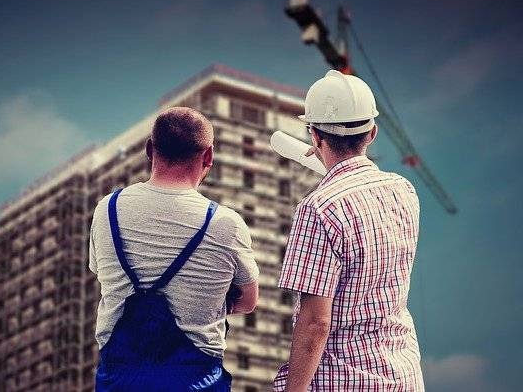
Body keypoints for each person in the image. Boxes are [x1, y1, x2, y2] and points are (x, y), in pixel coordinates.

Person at [89, 107, 259, 391]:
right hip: (197, 382)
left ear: (149, 149)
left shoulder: (107, 210)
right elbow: (248, 301)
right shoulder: (226, 224)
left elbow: (101, 273)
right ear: (208, 156)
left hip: (120, 381)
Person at [274, 70, 424, 391]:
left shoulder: (319, 209)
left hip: (344, 381)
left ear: (315, 136)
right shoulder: (404, 191)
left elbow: (315, 323)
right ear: (372, 133)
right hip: (402, 376)